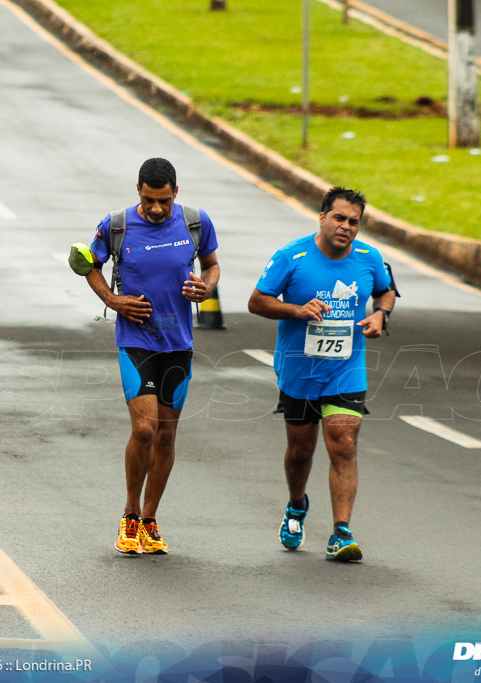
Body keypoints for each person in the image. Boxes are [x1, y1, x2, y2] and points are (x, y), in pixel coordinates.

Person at [247, 186, 397, 562]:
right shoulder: (291, 256)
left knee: (343, 443)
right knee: (301, 451)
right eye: (339, 218)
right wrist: (297, 310)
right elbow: (256, 302)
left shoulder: (369, 258)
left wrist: (381, 314)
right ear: (322, 217)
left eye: (353, 222)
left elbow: (387, 291)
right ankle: (296, 505)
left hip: (346, 370)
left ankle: (341, 532)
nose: (346, 227)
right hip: (299, 370)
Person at [83, 158, 220, 555]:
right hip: (136, 339)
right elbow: (88, 264)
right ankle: (128, 513)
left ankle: (150, 518)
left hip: (178, 343)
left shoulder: (196, 222)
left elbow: (211, 266)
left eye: (163, 200)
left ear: (175, 192)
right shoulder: (117, 224)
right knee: (144, 429)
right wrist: (113, 300)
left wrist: (206, 289)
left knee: (166, 433)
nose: (156, 208)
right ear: (138, 191)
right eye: (148, 200)